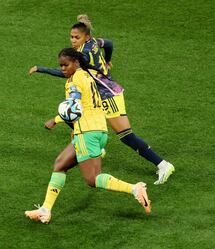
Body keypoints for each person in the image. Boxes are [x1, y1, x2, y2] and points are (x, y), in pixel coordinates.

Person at [28, 15, 174, 185]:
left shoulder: (82, 54)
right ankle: (94, 149)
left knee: (126, 135)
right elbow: (109, 43)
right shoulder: (94, 42)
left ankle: (163, 165)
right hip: (97, 95)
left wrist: (41, 69)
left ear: (86, 37)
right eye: (72, 37)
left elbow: (65, 72)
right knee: (77, 117)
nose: (73, 40)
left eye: (77, 37)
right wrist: (108, 59)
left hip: (108, 94)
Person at [25, 48, 151, 224]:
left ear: (75, 62)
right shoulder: (87, 75)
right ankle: (45, 210)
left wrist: (55, 120)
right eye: (60, 65)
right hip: (99, 129)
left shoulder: (73, 82)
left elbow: (75, 106)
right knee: (60, 164)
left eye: (65, 65)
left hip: (87, 132)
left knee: (92, 179)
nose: (62, 69)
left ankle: (135, 189)